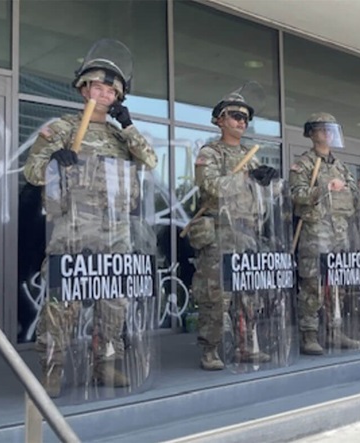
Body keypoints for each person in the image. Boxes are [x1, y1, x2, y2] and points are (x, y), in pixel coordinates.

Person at [23, 39, 156, 397]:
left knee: (113, 304)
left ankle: (106, 365)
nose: (105, 93)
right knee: (61, 305)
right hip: (73, 227)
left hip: (115, 231)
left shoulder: (119, 136)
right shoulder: (62, 128)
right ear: (84, 89)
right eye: (98, 85)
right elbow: (32, 172)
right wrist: (56, 161)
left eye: (112, 89)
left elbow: (150, 163)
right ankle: (52, 368)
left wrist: (128, 127)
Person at [187, 86, 278, 370]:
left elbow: (262, 200)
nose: (242, 122)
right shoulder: (210, 153)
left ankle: (246, 345)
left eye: (246, 118)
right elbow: (211, 186)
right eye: (236, 116)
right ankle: (210, 349)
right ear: (220, 119)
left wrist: (269, 184)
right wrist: (247, 177)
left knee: (247, 295)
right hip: (219, 232)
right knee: (216, 296)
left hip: (247, 233)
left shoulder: (251, 157)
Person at [290, 112, 360, 355]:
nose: (328, 134)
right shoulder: (304, 163)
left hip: (339, 234)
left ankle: (335, 330)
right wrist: (323, 188)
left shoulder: (341, 166)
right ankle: (309, 334)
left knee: (337, 286)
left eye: (331, 130)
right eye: (322, 129)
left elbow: (355, 196)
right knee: (312, 285)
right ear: (311, 133)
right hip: (314, 234)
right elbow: (296, 195)